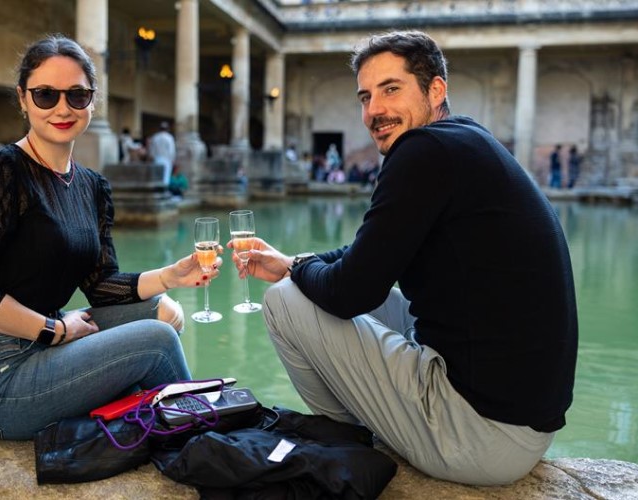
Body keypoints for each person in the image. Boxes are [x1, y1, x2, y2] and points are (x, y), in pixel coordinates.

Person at [229, 30, 577, 486]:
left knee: (283, 300)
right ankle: (376, 423)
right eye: (365, 96)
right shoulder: (464, 140)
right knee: (324, 283)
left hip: (480, 436)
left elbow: (350, 291)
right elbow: (366, 257)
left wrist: (293, 269)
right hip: (524, 424)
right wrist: (296, 258)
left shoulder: (422, 151)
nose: (374, 110)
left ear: (436, 90)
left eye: (391, 89)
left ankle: (350, 440)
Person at [0, 35, 221, 441]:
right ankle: (204, 444)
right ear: (22, 98)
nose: (61, 108)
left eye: (76, 95)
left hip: (46, 349)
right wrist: (54, 329)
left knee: (158, 310)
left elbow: (100, 285)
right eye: (45, 95)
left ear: (92, 101)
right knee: (157, 340)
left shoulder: (92, 187)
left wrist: (169, 277)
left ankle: (166, 427)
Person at [148, 121, 176, 187]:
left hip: (157, 159)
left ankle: (157, 192)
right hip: (166, 160)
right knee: (166, 177)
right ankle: (164, 191)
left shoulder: (155, 137)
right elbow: (172, 150)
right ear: (167, 129)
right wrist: (173, 160)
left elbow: (152, 151)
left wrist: (152, 158)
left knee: (157, 177)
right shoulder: (169, 138)